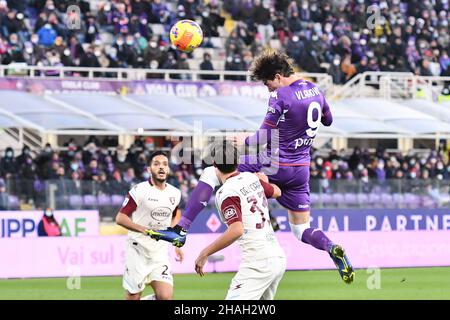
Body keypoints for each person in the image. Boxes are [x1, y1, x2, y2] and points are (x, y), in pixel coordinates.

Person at [150, 49, 355, 284]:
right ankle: (331, 247)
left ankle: (181, 230)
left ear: (278, 76)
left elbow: (262, 139)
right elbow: (327, 120)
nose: (269, 89)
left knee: (213, 172)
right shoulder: (315, 89)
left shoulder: (280, 96)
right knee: (301, 230)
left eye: (268, 84)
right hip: (301, 169)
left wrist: (244, 140)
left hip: (275, 161)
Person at [194, 141, 286, 300]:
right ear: (238, 162)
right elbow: (277, 192)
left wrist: (205, 252)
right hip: (277, 257)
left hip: (258, 263)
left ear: (214, 164)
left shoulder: (227, 192)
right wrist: (264, 182)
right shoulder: (251, 178)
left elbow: (237, 230)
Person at [116, 151, 183, 300]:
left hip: (159, 253)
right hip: (137, 249)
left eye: (165, 164)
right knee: (133, 296)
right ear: (148, 169)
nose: (161, 167)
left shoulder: (175, 193)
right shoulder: (139, 191)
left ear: (168, 169)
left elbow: (175, 215)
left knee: (165, 297)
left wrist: (176, 242)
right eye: (156, 164)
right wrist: (144, 230)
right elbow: (120, 218)